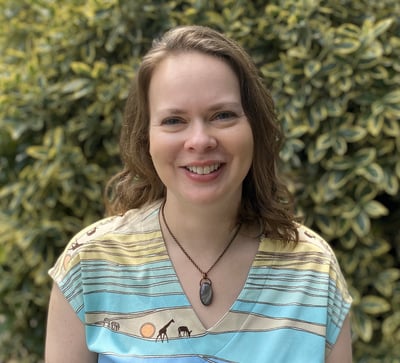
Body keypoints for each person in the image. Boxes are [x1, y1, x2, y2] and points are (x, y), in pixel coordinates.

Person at [45, 25, 352, 363]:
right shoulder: (89, 266)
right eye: (174, 120)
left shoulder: (313, 271)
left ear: (255, 127)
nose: (200, 140)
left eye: (222, 115)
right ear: (146, 138)